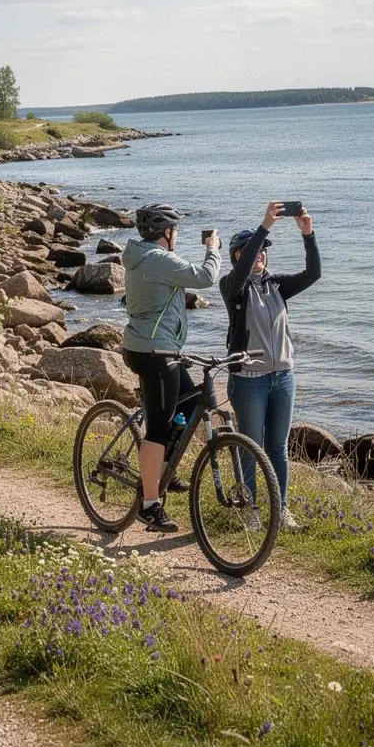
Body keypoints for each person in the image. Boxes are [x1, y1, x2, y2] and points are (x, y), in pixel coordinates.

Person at [221, 202, 321, 532]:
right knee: (251, 447)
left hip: (283, 378)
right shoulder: (231, 287)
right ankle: (249, 512)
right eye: (252, 250)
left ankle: (280, 511)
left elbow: (313, 273)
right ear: (238, 254)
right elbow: (240, 274)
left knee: (277, 448)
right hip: (248, 380)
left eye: (264, 250)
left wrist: (308, 234)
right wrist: (263, 227)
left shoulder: (276, 284)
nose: (260, 254)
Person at [122, 203, 221, 532]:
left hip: (156, 347)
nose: (176, 235)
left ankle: (164, 467)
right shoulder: (159, 259)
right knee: (159, 429)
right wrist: (213, 249)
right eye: (175, 230)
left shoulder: (140, 255)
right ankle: (149, 504)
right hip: (154, 351)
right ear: (166, 232)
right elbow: (205, 277)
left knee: (191, 404)